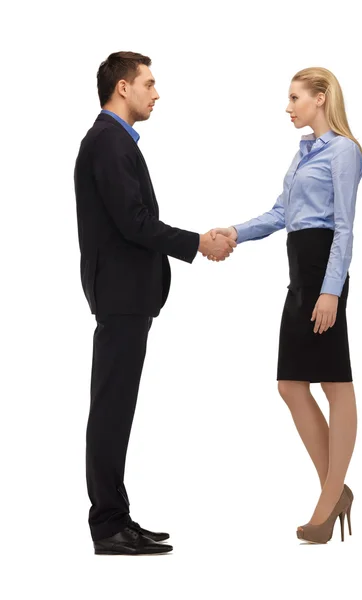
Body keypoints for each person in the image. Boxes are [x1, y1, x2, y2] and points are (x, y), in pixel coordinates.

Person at [73, 51, 236, 555]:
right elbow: (134, 222)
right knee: (111, 409)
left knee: (117, 408)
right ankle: (108, 525)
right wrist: (197, 243)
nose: (156, 93)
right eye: (149, 83)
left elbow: (131, 220)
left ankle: (117, 518)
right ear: (123, 88)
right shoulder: (107, 143)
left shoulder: (114, 142)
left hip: (127, 297)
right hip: (120, 297)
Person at [208, 67, 362, 544]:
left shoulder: (344, 152)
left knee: (335, 383)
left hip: (323, 273)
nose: (288, 106)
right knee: (290, 384)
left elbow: (343, 226)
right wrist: (235, 231)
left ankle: (329, 496)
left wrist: (331, 290)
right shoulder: (301, 155)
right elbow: (281, 214)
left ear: (321, 98)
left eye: (296, 97)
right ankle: (335, 490)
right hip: (300, 276)